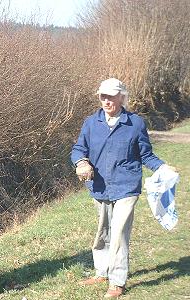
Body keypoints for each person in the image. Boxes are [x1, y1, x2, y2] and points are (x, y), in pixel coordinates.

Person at [71, 78, 176, 298]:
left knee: (119, 233)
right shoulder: (91, 123)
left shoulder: (135, 123)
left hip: (126, 186)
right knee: (103, 232)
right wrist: (81, 162)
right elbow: (79, 148)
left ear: (122, 97)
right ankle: (102, 272)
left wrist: (163, 167)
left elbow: (146, 154)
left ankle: (117, 281)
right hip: (99, 186)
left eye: (111, 96)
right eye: (103, 96)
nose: (107, 101)